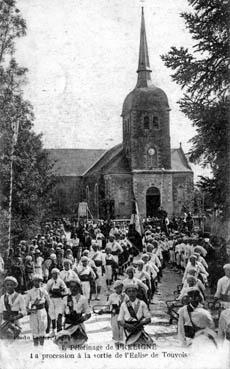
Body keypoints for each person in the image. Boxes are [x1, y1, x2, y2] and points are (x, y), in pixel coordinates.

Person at [60, 280, 91, 347]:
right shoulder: (65, 299)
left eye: (75, 287)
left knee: (79, 346)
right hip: (68, 325)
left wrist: (83, 318)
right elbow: (60, 314)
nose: (73, 289)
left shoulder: (83, 299)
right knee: (68, 346)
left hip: (79, 325)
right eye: (71, 287)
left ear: (79, 288)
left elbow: (88, 313)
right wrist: (59, 329)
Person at [25, 274, 50, 346]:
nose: (37, 283)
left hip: (42, 311)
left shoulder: (44, 291)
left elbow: (49, 301)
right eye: (35, 281)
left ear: (41, 282)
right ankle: (36, 347)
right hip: (34, 312)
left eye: (39, 281)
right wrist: (30, 310)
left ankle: (42, 347)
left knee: (42, 328)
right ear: (33, 282)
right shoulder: (30, 292)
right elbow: (25, 305)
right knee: (34, 330)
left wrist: (50, 310)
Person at [46, 268, 68, 336]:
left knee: (59, 314)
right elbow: (46, 291)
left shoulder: (61, 281)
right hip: (52, 299)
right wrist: (51, 293)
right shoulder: (49, 282)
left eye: (56, 274)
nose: (54, 275)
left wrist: (60, 292)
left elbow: (65, 290)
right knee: (52, 314)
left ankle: (59, 330)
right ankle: (53, 330)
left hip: (59, 299)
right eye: (53, 274)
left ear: (58, 274)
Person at [105, 280, 127, 346]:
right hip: (114, 315)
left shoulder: (125, 296)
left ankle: (122, 347)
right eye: (117, 287)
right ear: (115, 288)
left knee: (122, 332)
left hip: (123, 316)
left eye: (120, 287)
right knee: (115, 332)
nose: (118, 289)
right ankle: (117, 347)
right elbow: (107, 304)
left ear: (122, 288)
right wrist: (103, 309)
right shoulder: (112, 296)